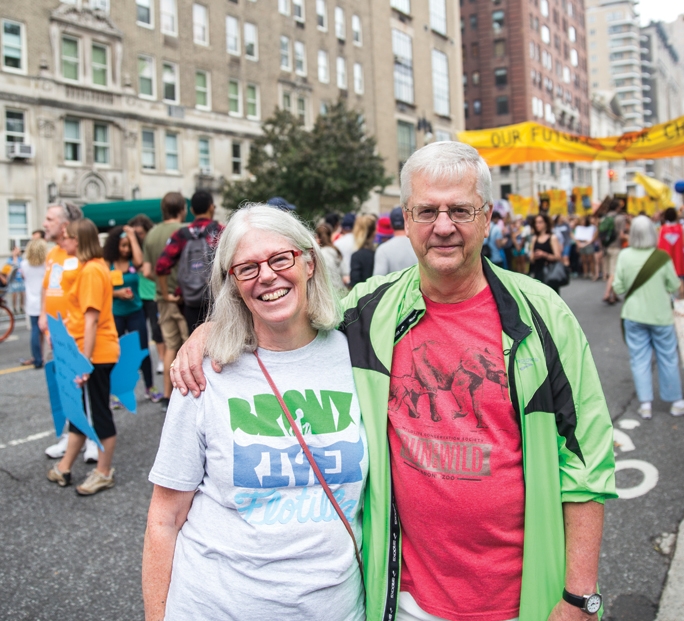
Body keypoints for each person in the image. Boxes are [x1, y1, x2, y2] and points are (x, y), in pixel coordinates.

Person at [172, 141, 617, 621]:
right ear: (406, 221)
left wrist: (578, 598)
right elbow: (289, 314)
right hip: (405, 602)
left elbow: (586, 461)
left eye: (460, 211)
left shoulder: (542, 314)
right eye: (427, 211)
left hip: (521, 601)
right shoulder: (368, 310)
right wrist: (213, 329)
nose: (443, 226)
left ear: (487, 218)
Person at [143, 205, 366, 620]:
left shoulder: (360, 357)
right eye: (246, 268)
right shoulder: (204, 371)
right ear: (232, 283)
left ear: (310, 262)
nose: (266, 276)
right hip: (215, 605)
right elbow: (165, 516)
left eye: (280, 259)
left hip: (334, 608)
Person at [46, 219, 120, 495]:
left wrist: (84, 362)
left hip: (95, 353)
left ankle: (103, 472)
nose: (61, 242)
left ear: (77, 240)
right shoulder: (94, 267)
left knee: (98, 412)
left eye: (66, 238)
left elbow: (91, 320)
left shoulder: (90, 271)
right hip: (92, 351)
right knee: (83, 411)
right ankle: (63, 467)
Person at [612, 216, 684, 419]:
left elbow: (618, 287)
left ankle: (645, 404)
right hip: (661, 315)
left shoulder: (624, 255)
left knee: (639, 359)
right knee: (668, 357)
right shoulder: (662, 257)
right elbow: (674, 285)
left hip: (633, 314)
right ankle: (676, 402)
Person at [41, 202, 99, 461]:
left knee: (84, 387)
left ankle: (92, 437)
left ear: (65, 225)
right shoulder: (53, 253)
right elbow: (48, 288)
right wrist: (43, 315)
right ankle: (70, 434)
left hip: (74, 334)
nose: (45, 223)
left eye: (50, 218)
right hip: (54, 332)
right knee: (62, 386)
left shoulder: (79, 254)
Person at [103, 225, 162, 403]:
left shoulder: (132, 263)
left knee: (143, 350)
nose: (126, 249)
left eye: (128, 245)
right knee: (115, 353)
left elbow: (139, 260)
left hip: (135, 311)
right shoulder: (108, 263)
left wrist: (132, 236)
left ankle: (149, 387)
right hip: (116, 314)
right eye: (122, 245)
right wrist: (117, 294)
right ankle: (116, 392)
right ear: (114, 246)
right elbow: (103, 289)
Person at [143, 192, 188, 410]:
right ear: (182, 209)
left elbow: (147, 271)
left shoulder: (151, 234)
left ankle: (167, 396)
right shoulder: (184, 231)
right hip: (185, 297)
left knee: (171, 345)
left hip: (161, 298)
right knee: (191, 343)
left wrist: (163, 285)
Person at [156, 190, 223, 334]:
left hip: (190, 301)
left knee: (196, 343)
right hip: (218, 298)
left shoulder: (181, 235)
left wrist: (166, 295)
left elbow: (161, 266)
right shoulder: (220, 231)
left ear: (192, 210)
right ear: (212, 207)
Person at [129, 214, 166, 376]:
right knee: (139, 332)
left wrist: (132, 237)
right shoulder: (130, 246)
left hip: (151, 292)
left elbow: (139, 262)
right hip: (137, 295)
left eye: (141, 233)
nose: (138, 237)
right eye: (135, 233)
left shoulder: (149, 246)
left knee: (156, 327)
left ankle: (163, 359)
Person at [20, 238, 47, 369]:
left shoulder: (24, 264)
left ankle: (37, 358)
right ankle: (46, 356)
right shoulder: (46, 264)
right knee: (47, 331)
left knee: (35, 331)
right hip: (44, 301)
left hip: (31, 301)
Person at [373, 206, 418, 276]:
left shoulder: (383, 250)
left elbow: (378, 281)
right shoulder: (419, 246)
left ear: (390, 224)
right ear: (407, 221)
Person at [529, 212, 564, 293]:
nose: (537, 225)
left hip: (550, 272)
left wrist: (544, 254)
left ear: (546, 223)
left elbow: (558, 257)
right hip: (538, 272)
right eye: (536, 222)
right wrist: (535, 256)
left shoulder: (552, 238)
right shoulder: (535, 238)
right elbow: (531, 258)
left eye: (540, 222)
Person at [603, 202, 630, 304]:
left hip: (606, 247)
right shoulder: (620, 218)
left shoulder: (604, 218)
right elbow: (621, 235)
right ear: (617, 207)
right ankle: (607, 294)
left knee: (610, 271)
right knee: (613, 272)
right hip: (616, 246)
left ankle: (614, 295)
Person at [315, 223, 346, 294]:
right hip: (341, 290)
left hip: (334, 293)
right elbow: (344, 272)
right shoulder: (335, 250)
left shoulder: (323, 254)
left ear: (318, 237)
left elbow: (332, 277)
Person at [349, 214, 377, 288]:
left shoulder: (356, 256)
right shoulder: (378, 253)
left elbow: (355, 283)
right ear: (373, 233)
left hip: (363, 297)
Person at [334, 213, 358, 287]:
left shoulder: (336, 243)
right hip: (356, 280)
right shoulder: (359, 242)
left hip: (341, 281)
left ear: (343, 228)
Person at [574, 215, 599, 281]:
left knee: (591, 260)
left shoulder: (592, 228)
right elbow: (576, 237)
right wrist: (578, 245)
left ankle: (592, 273)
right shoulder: (579, 228)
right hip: (581, 244)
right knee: (584, 260)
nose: (583, 222)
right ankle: (586, 273)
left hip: (589, 244)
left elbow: (595, 234)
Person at [5, 244, 25, 314]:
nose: (18, 251)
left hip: (21, 279)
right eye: (16, 250)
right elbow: (7, 269)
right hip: (13, 279)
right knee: (14, 294)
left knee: (22, 294)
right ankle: (14, 308)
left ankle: (21, 307)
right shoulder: (9, 260)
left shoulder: (21, 259)